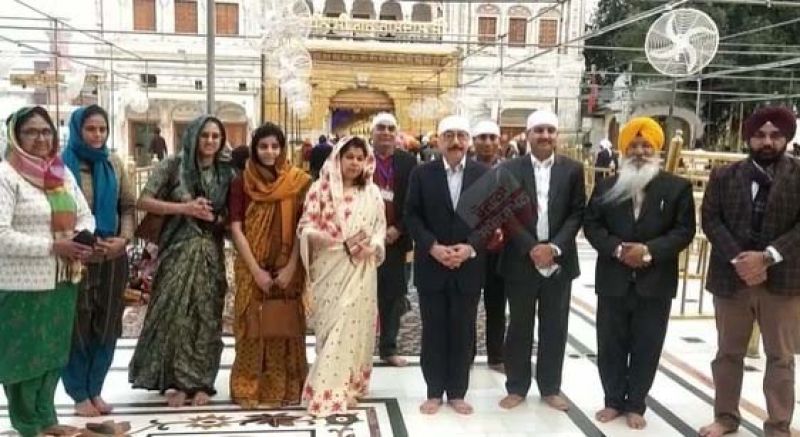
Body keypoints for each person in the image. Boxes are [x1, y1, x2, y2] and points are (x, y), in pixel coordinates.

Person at [584, 117, 695, 430]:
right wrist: (619, 249)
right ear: (624, 149)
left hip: (655, 281)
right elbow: (592, 225)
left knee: (647, 344)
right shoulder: (607, 187)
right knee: (610, 343)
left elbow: (684, 230)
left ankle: (636, 404)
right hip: (613, 279)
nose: (640, 151)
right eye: (633, 145)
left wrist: (648, 251)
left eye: (646, 145)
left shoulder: (677, 187)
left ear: (656, 149)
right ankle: (613, 401)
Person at [699, 106, 800, 437]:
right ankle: (726, 417)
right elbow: (711, 220)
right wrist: (741, 260)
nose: (767, 142)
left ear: (786, 138)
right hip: (732, 280)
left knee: (781, 358)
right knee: (728, 353)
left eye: (775, 135)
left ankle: (778, 426)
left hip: (784, 283)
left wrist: (768, 257)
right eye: (759, 135)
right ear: (749, 138)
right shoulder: (723, 175)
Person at [0, 106, 95, 437]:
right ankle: (27, 424)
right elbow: (1, 234)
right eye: (31, 132)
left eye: (46, 131)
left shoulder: (60, 172)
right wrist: (53, 246)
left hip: (63, 277)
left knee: (53, 352)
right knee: (24, 356)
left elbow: (84, 214)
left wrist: (81, 237)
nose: (41, 138)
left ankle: (46, 417)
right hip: (21, 282)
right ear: (15, 135)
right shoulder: (6, 175)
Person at [128, 115, 235, 408]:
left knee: (207, 316)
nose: (210, 142)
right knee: (174, 315)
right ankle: (175, 382)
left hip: (209, 253)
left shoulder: (226, 172)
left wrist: (217, 217)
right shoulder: (172, 165)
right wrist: (184, 208)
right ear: (193, 137)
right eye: (205, 136)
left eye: (216, 136)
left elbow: (233, 212)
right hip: (176, 250)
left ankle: (202, 382)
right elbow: (144, 201)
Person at [498, 110, 585, 412]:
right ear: (528, 134)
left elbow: (577, 212)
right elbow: (505, 212)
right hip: (521, 259)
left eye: (550, 130)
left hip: (558, 261)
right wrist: (531, 246)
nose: (545, 136)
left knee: (555, 326)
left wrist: (555, 247)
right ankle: (517, 386)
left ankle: (550, 387)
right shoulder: (509, 168)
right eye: (539, 130)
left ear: (556, 135)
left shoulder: (573, 169)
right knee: (520, 325)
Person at [405, 115, 488, 415]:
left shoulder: (484, 174)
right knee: (434, 330)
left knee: (463, 330)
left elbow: (491, 220)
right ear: (438, 141)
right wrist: (433, 247)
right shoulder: (421, 174)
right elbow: (412, 216)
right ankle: (433, 391)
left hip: (467, 266)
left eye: (461, 136)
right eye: (449, 135)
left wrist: (469, 248)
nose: (455, 142)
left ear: (468, 141)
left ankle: (457, 392)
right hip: (432, 265)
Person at [298, 136, 386, 416]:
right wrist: (320, 237)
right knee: (332, 327)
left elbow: (380, 229)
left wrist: (373, 245)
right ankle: (326, 389)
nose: (355, 163)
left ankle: (345, 387)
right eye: (350, 157)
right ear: (338, 158)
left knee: (353, 327)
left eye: (360, 158)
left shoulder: (372, 193)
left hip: (361, 270)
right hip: (329, 268)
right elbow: (306, 225)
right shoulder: (319, 189)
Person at [60, 105, 137, 417]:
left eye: (102, 129)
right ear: (78, 129)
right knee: (76, 326)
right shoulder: (60, 166)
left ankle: (96, 389)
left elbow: (128, 206)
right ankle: (79, 392)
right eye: (91, 129)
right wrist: (77, 243)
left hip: (111, 257)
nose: (97, 135)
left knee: (107, 324)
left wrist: (124, 240)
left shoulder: (113, 163)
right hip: (76, 257)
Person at [228, 122, 311, 408]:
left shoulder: (298, 181)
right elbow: (236, 228)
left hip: (288, 265)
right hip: (251, 267)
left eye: (275, 146)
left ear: (283, 148)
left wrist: (290, 267)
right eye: (263, 146)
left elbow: (304, 227)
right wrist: (256, 271)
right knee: (250, 325)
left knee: (285, 325)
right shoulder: (242, 182)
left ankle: (285, 387)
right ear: (254, 148)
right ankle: (249, 386)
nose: (270, 152)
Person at [367, 113, 417, 368]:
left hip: (396, 242)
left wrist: (398, 229)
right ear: (372, 132)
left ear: (396, 133)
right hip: (363, 242)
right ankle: (359, 349)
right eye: (380, 128)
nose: (385, 133)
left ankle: (388, 348)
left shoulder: (409, 162)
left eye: (390, 128)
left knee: (394, 296)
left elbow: (415, 202)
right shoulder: (359, 158)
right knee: (362, 296)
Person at [471, 120, 506, 372]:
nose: (487, 142)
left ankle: (497, 356)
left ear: (499, 141)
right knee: (468, 304)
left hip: (501, 249)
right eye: (482, 137)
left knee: (497, 304)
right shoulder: (465, 170)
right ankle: (466, 353)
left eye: (492, 138)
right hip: (472, 248)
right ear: (474, 141)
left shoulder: (510, 170)